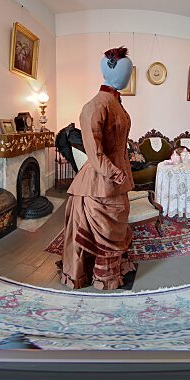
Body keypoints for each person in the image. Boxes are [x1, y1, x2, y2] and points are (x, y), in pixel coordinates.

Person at [58, 46, 135, 290]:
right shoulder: (94, 106)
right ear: (108, 72)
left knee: (117, 223)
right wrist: (115, 172)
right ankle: (99, 277)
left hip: (116, 178)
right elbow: (95, 151)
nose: (127, 76)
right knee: (102, 228)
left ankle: (109, 271)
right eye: (125, 71)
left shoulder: (115, 102)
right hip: (100, 182)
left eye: (129, 72)